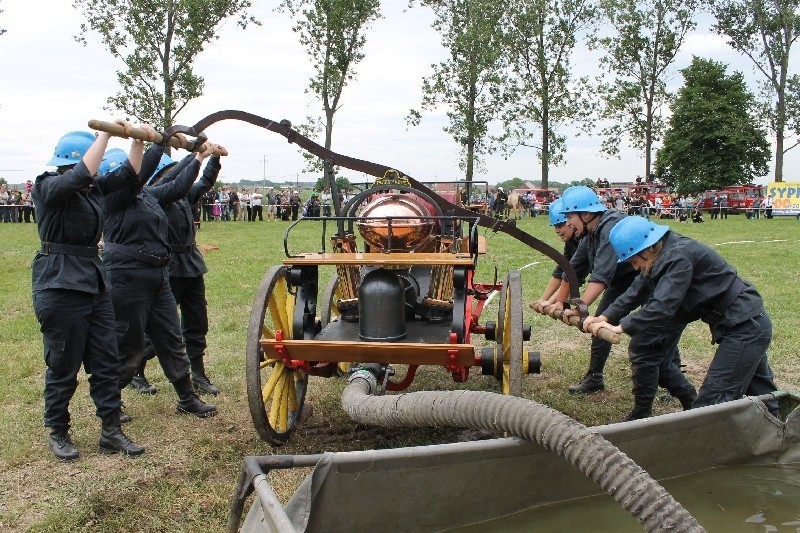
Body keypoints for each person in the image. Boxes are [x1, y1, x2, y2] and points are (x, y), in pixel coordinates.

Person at [32, 124, 148, 461]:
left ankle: (111, 431)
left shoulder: (90, 190)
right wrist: (106, 136)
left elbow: (130, 176)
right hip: (59, 283)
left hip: (93, 281)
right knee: (63, 364)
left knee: (105, 359)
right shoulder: (48, 186)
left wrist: (138, 143)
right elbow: (83, 171)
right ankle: (58, 430)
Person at [586, 216, 777, 414]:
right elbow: (637, 290)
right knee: (763, 394)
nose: (635, 267)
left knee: (712, 403)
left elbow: (662, 306)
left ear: (647, 248)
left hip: (746, 325)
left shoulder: (677, 256)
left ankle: (774, 436)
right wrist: (606, 317)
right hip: (743, 322)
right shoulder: (661, 253)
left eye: (634, 260)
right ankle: (780, 433)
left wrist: (620, 327)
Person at [103, 138, 221, 421]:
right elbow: (141, 173)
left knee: (171, 338)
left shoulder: (147, 196)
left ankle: (186, 397)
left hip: (157, 276)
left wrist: (198, 158)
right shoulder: (112, 197)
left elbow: (179, 186)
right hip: (127, 278)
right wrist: (160, 142)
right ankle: (111, 404)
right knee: (128, 343)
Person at [131, 151, 222, 397]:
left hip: (191, 264)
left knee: (196, 322)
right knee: (161, 327)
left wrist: (213, 160)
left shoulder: (182, 196)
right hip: (169, 267)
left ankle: (199, 374)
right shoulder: (151, 197)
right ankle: (135, 372)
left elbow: (203, 183)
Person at [546, 186, 639, 394]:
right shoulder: (590, 233)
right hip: (622, 278)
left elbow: (600, 276)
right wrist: (559, 302)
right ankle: (595, 378)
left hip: (646, 277)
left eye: (570, 217)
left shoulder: (610, 228)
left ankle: (672, 376)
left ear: (586, 214)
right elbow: (573, 269)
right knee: (600, 322)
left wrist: (579, 308)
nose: (567, 223)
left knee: (656, 327)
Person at [530, 199, 582, 311]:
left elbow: (574, 275)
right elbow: (562, 270)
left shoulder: (583, 241)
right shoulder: (571, 242)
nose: (556, 231)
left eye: (559, 226)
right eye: (555, 226)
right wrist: (543, 299)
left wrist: (552, 301)